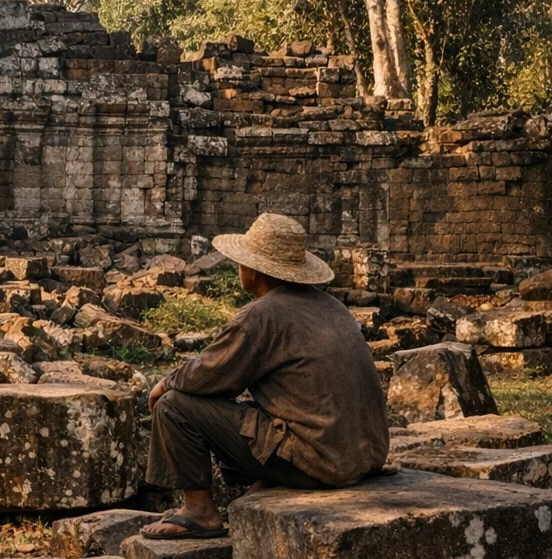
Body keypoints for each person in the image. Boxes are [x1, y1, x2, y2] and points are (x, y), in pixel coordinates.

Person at [139, 212, 390, 540]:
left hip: (321, 464)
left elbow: (206, 375)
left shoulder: (262, 315)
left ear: (253, 269)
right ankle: (268, 478)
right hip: (363, 457)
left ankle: (199, 511)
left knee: (174, 405)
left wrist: (164, 383)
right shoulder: (332, 305)